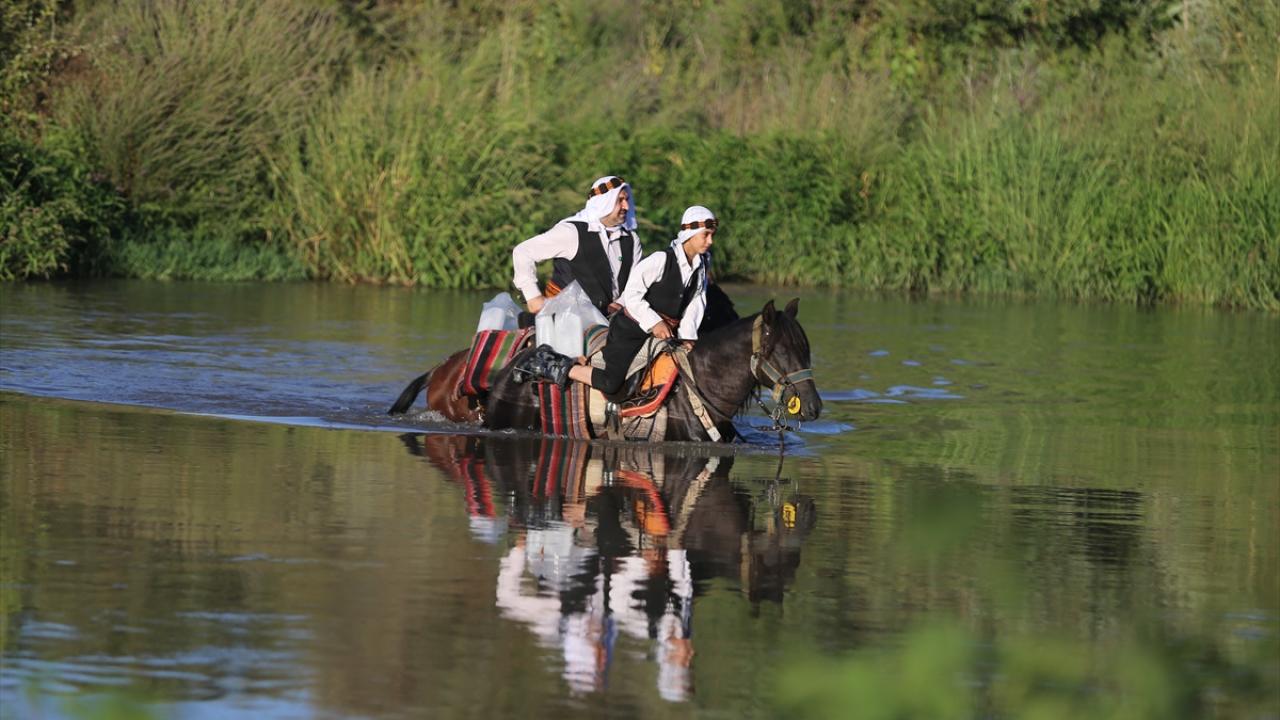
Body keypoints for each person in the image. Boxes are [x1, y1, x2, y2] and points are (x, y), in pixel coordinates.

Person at [519, 205, 717, 395]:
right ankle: (554, 365)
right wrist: (655, 322)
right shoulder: (660, 260)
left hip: (668, 331)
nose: (710, 241)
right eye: (705, 235)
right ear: (690, 233)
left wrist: (688, 337)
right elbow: (632, 294)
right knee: (611, 383)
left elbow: (696, 303)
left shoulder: (702, 265)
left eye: (712, 235)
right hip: (631, 329)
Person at [511, 175, 642, 316]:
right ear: (604, 202)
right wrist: (533, 297)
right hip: (563, 317)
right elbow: (523, 252)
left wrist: (620, 303)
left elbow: (635, 282)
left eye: (627, 199)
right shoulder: (571, 232)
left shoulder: (632, 240)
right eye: (620, 200)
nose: (626, 206)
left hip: (609, 319)